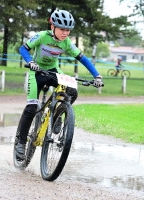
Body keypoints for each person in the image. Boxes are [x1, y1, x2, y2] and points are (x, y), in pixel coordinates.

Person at [15, 9, 104, 160]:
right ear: (52, 27)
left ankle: (57, 115)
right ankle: (21, 142)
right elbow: (23, 49)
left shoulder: (67, 43)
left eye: (68, 30)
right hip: (36, 72)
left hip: (53, 71)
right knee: (31, 107)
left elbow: (83, 59)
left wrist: (97, 76)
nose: (65, 33)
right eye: (62, 29)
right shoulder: (42, 36)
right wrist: (30, 62)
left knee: (72, 90)